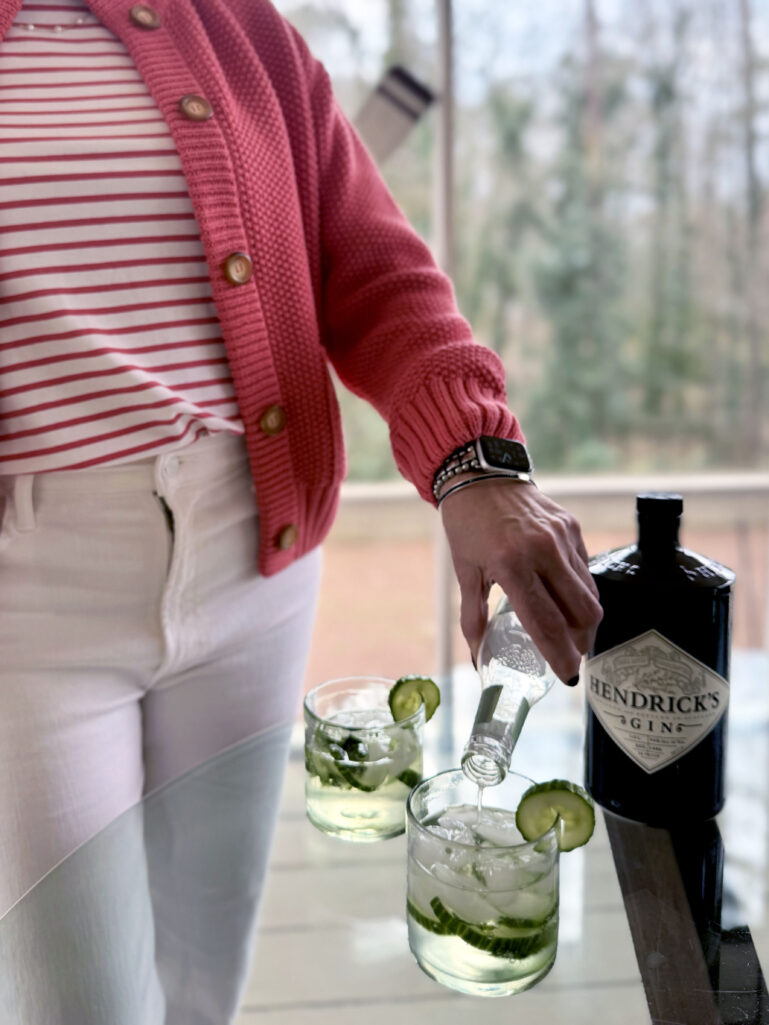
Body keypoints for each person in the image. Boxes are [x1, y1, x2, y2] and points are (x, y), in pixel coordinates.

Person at [0, 0, 602, 1022]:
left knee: (206, 968)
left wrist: (478, 465)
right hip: (29, 601)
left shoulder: (238, 29)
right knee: (79, 1002)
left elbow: (376, 274)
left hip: (256, 564)